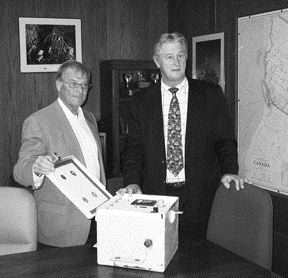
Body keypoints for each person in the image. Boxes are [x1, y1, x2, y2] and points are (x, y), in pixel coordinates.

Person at [120, 32, 245, 242]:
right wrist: (132, 182)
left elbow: (225, 140)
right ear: (157, 61)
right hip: (157, 195)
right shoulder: (141, 101)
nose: (176, 62)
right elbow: (134, 148)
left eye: (180, 55)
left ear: (187, 58)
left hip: (200, 196)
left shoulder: (211, 94)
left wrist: (229, 171)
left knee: (199, 260)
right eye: (169, 56)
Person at [13, 60, 106, 248]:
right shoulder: (38, 121)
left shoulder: (90, 119)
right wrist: (36, 168)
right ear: (58, 85)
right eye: (73, 84)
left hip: (96, 220)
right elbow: (21, 170)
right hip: (61, 227)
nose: (79, 90)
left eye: (84, 85)